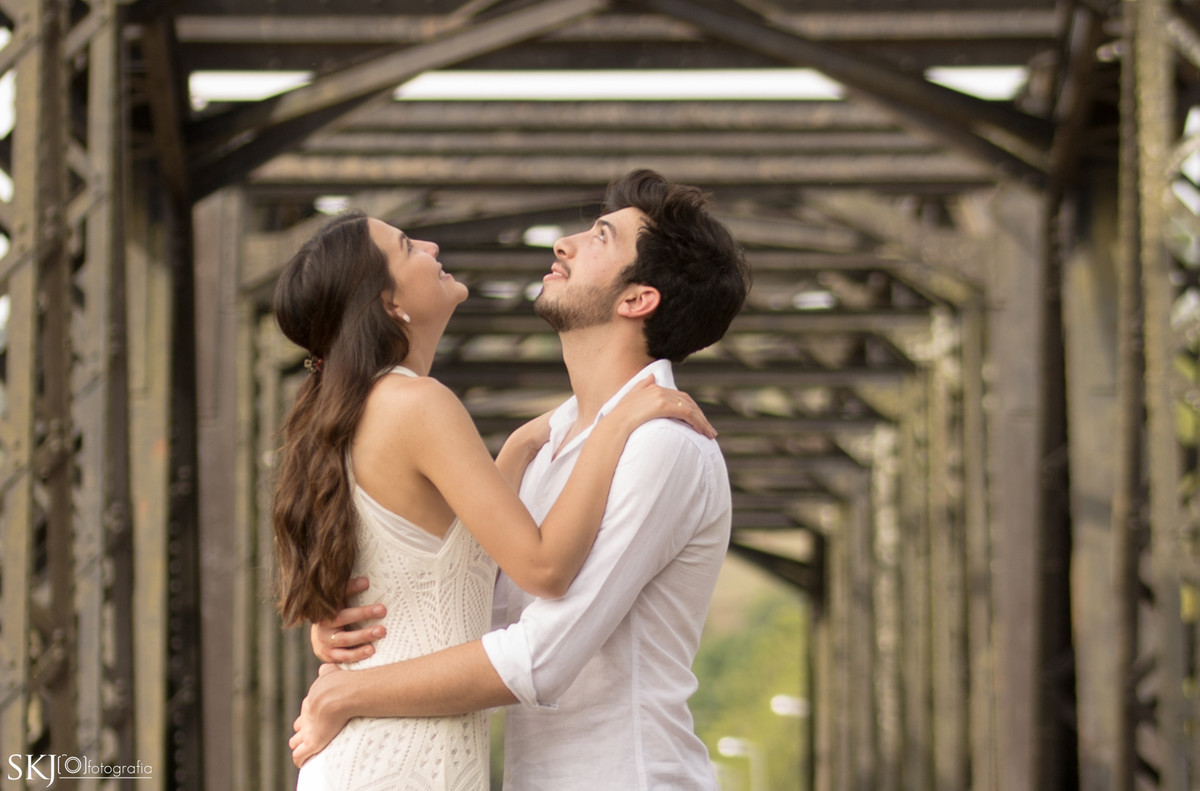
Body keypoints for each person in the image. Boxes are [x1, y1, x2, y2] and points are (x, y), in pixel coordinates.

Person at [290, 169, 751, 790]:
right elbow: (474, 607)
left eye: (600, 238)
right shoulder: (552, 448)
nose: (564, 242)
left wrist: (347, 694)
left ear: (637, 299)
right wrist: (366, 623)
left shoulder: (662, 442)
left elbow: (538, 655)